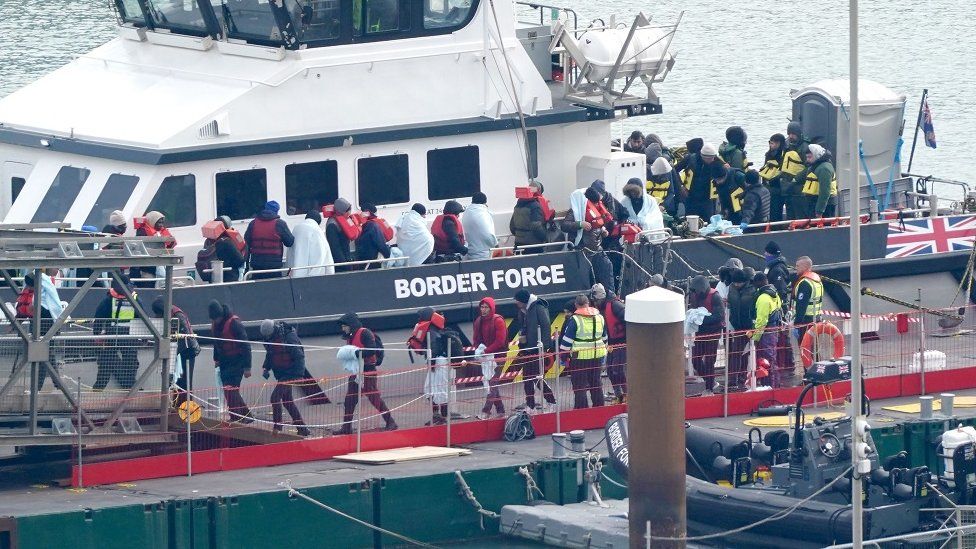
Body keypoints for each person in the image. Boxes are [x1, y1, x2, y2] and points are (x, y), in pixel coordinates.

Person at [338, 312, 397, 433]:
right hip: (356, 371)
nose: (342, 328)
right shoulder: (350, 336)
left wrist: (355, 354)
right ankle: (346, 427)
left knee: (374, 398)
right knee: (350, 400)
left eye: (344, 325)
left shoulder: (365, 333)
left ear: (350, 325)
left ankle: (391, 421)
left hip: (368, 370)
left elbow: (371, 350)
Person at [259, 319, 310, 436]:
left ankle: (277, 426)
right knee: (288, 401)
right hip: (282, 373)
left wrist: (300, 375)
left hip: (292, 373)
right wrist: (266, 368)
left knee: (275, 398)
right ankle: (302, 429)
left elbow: (299, 356)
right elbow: (270, 354)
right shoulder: (269, 339)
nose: (267, 337)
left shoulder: (288, 337)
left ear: (273, 330)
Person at [15, 272, 64, 391]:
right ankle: (56, 385)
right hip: (44, 326)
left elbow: (24, 310)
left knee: (44, 356)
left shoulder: (37, 301)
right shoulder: (39, 299)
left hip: (43, 326)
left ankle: (38, 387)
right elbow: (56, 305)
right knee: (46, 355)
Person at [561, 186, 615, 292]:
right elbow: (564, 225)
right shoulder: (575, 211)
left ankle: (610, 295)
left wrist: (603, 230)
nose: (596, 205)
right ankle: (587, 300)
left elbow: (598, 224)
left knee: (607, 267)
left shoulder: (596, 209)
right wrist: (580, 224)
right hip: (582, 250)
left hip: (597, 248)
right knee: (586, 277)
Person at [208, 299, 253, 423]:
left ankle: (237, 417)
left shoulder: (234, 324)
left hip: (237, 361)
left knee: (231, 390)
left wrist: (247, 367)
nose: (215, 321)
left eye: (216, 318)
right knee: (229, 390)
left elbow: (246, 346)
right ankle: (246, 416)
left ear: (221, 315)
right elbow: (216, 343)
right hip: (224, 362)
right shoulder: (215, 325)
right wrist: (216, 359)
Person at [93, 276, 140, 391]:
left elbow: (98, 318)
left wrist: (97, 335)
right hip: (125, 335)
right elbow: (142, 317)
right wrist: (97, 334)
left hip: (116, 334)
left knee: (111, 363)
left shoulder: (108, 300)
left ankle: (128, 387)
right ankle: (100, 389)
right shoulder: (133, 299)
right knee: (111, 363)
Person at [559, 294, 607, 409]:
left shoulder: (574, 320)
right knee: (596, 384)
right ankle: (599, 409)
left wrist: (563, 358)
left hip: (579, 358)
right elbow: (604, 338)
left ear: (576, 305)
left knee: (579, 386)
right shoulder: (600, 317)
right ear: (588, 303)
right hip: (597, 355)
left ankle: (581, 410)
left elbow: (566, 342)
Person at [151, 297, 199, 406]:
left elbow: (187, 338)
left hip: (186, 352)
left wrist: (172, 353)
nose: (157, 316)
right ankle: (176, 404)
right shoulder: (167, 315)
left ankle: (185, 406)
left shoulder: (178, 316)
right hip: (174, 351)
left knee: (185, 381)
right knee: (174, 381)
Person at [514, 289, 556, 412]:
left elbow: (546, 325)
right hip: (527, 349)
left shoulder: (538, 307)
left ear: (523, 300)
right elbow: (522, 329)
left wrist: (544, 346)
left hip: (537, 349)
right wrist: (521, 348)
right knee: (527, 378)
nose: (516, 302)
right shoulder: (522, 311)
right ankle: (530, 405)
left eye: (517, 300)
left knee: (537, 378)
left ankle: (551, 401)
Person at [408, 307, 452, 425]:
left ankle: (443, 418)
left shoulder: (431, 331)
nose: (419, 319)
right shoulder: (430, 330)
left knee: (440, 390)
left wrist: (431, 363)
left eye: (420, 317)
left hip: (439, 362)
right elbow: (428, 349)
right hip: (434, 362)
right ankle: (437, 415)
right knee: (429, 389)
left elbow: (435, 348)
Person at [472, 297, 508, 419]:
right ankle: (501, 410)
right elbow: (476, 339)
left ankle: (486, 411)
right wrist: (478, 349)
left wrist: (485, 351)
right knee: (491, 383)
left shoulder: (498, 321)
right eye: (482, 307)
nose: (483, 309)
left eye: (486, 307)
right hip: (486, 356)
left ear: (491, 308)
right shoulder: (478, 321)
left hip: (499, 356)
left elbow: (500, 341)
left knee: (492, 383)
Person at [688, 275, 724, 392]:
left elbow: (719, 316)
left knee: (709, 361)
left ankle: (710, 387)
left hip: (713, 333)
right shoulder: (695, 296)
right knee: (695, 359)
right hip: (701, 333)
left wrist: (702, 319)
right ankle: (710, 381)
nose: (695, 293)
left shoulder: (715, 297)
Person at [590, 283, 626, 402]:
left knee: (618, 370)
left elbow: (627, 319)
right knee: (611, 370)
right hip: (611, 343)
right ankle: (619, 395)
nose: (595, 303)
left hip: (621, 342)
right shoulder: (603, 307)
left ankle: (627, 394)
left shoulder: (615, 305)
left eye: (596, 300)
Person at [244, 200, 295, 279]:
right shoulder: (280, 224)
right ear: (276, 211)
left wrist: (246, 267)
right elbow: (290, 242)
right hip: (274, 267)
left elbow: (246, 245)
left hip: (257, 267)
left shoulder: (253, 223)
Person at [750, 272, 784, 387]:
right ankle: (776, 384)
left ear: (759, 282)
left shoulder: (763, 298)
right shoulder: (775, 294)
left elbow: (761, 321)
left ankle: (768, 386)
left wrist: (755, 337)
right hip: (774, 331)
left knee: (766, 361)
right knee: (772, 359)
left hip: (766, 333)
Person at [676, 142, 723, 219]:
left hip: (708, 199)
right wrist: (681, 185)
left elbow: (725, 177)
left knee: (708, 220)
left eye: (712, 157)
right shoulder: (691, 158)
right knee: (690, 221)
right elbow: (675, 170)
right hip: (691, 196)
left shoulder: (718, 162)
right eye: (708, 158)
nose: (711, 160)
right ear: (702, 155)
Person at [725, 269, 754, 390]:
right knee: (736, 353)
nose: (736, 285)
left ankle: (742, 378)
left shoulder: (752, 290)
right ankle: (733, 380)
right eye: (735, 283)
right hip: (737, 325)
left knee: (745, 354)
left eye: (739, 283)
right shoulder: (732, 288)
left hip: (748, 327)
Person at [131, 211, 175, 287]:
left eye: (162, 223)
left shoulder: (160, 232)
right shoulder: (142, 232)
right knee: (149, 285)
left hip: (158, 264)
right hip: (147, 268)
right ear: (152, 221)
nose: (161, 225)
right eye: (159, 223)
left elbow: (170, 244)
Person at [197, 216, 246, 283]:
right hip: (230, 277)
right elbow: (240, 260)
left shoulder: (208, 241)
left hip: (214, 278)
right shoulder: (226, 241)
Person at [510, 181, 555, 253]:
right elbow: (536, 226)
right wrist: (545, 237)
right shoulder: (536, 205)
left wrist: (520, 235)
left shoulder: (518, 205)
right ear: (540, 191)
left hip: (518, 243)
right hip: (533, 245)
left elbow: (512, 226)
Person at [288, 211, 333, 277]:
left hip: (295, 273)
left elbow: (291, 251)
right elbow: (321, 253)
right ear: (318, 221)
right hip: (312, 276)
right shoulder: (316, 230)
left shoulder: (296, 229)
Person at [799, 144, 838, 218]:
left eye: (810, 157)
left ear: (817, 155)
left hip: (825, 206)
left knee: (824, 228)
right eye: (807, 157)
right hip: (814, 202)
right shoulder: (816, 165)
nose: (807, 159)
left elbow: (825, 192)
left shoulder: (824, 169)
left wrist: (819, 211)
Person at [783, 121, 811, 220]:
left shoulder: (805, 147)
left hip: (799, 187)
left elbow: (809, 167)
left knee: (800, 215)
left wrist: (797, 179)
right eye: (789, 134)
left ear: (798, 134)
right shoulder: (787, 145)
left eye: (793, 134)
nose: (791, 136)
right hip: (788, 187)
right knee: (790, 215)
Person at [792, 256, 824, 341]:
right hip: (816, 319)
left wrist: (797, 325)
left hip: (805, 322)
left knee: (805, 348)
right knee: (813, 348)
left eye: (797, 266)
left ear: (805, 267)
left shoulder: (805, 283)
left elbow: (801, 306)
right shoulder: (817, 280)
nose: (796, 268)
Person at [323, 198, 359, 271]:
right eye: (347, 211)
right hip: (340, 264)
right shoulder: (332, 225)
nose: (349, 213)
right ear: (341, 211)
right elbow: (335, 248)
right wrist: (344, 265)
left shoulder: (344, 220)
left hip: (347, 258)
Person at [760, 134, 789, 222]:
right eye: (771, 143)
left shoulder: (784, 155)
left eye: (775, 143)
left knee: (777, 211)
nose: (772, 145)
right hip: (768, 186)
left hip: (778, 187)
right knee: (770, 211)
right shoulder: (768, 154)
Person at [461, 192, 497, 261]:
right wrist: (495, 244)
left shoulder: (467, 212)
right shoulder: (483, 213)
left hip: (470, 252)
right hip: (483, 253)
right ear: (485, 202)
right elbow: (488, 234)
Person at [355, 203, 392, 267]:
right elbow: (381, 244)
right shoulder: (373, 226)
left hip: (363, 259)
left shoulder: (362, 225)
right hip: (372, 261)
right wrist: (388, 255)